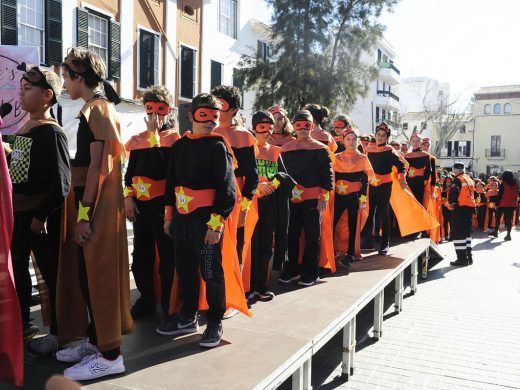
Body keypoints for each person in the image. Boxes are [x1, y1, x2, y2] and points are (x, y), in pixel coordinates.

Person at [55, 48, 133, 381]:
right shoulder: (96, 109)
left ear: (78, 78)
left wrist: (84, 216)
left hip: (95, 211)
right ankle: (97, 339)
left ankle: (110, 355)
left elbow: (100, 169)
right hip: (92, 208)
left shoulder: (98, 111)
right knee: (89, 277)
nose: (64, 85)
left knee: (97, 278)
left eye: (66, 77)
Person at [161, 93, 242, 347]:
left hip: (206, 222)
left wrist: (215, 225)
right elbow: (170, 184)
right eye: (204, 115)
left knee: (211, 272)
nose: (210, 121)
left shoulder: (219, 147)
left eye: (214, 116)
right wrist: (168, 217)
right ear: (191, 116)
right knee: (185, 270)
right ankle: (187, 315)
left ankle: (215, 320)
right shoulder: (179, 146)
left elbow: (228, 191)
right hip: (182, 221)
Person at [6, 66, 71, 354]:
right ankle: (21, 324)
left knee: (51, 274)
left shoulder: (51, 133)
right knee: (17, 270)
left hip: (37, 220)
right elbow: (19, 172)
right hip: (17, 217)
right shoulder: (25, 128)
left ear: (47, 95)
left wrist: (40, 216)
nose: (21, 91)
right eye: (21, 86)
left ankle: (61, 332)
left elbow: (61, 183)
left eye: (28, 88)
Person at [123, 86, 179, 319]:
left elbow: (163, 171)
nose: (155, 115)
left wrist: (155, 136)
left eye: (161, 109)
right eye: (150, 109)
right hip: (141, 207)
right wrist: (127, 197)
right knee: (141, 257)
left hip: (163, 205)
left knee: (167, 256)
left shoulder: (174, 139)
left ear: (169, 111)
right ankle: (146, 300)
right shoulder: (136, 140)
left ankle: (168, 302)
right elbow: (129, 174)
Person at [279, 110, 334, 286]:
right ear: (294, 126)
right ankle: (292, 269)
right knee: (291, 235)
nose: (303, 129)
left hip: (312, 198)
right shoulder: (286, 149)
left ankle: (311, 273)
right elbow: (281, 174)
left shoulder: (321, 148)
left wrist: (323, 197)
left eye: (307, 125)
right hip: (291, 199)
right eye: (299, 125)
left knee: (312, 237)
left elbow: (327, 175)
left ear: (312, 126)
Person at [249, 110, 289, 300]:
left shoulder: (275, 151)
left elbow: (284, 176)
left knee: (265, 245)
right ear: (254, 128)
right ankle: (247, 287)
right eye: (262, 127)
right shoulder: (247, 148)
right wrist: (257, 186)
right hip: (250, 204)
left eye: (270, 128)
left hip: (269, 204)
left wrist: (272, 185)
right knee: (250, 246)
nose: (266, 132)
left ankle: (260, 286)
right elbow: (238, 175)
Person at [361, 122, 407, 255]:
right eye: (378, 134)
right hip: (371, 186)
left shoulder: (390, 150)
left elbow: (401, 166)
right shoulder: (368, 150)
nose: (380, 137)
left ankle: (385, 243)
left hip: (384, 186)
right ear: (375, 135)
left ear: (387, 138)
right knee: (369, 213)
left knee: (383, 214)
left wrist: (402, 178)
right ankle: (367, 241)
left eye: (383, 135)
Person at [333, 126, 373, 266]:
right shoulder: (336, 157)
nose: (351, 142)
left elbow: (365, 181)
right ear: (343, 140)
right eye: (348, 139)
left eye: (354, 139)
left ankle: (350, 254)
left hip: (354, 197)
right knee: (333, 223)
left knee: (352, 225)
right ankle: (331, 250)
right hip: (338, 197)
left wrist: (362, 200)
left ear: (358, 141)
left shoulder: (362, 158)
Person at [448, 162, 475, 266]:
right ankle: (469, 257)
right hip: (469, 208)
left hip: (460, 209)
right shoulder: (469, 179)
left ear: (455, 170)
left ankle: (462, 259)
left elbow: (452, 194)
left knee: (458, 234)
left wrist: (451, 204)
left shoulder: (457, 180)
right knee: (466, 234)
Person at [404, 133, 432, 206]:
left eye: (417, 141)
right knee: (410, 203)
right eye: (413, 141)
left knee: (419, 203)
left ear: (420, 142)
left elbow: (428, 170)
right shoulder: (406, 156)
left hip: (420, 183)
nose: (415, 143)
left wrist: (424, 182)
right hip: (409, 182)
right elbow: (404, 170)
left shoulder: (425, 155)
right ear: (410, 142)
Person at [491, 170, 519, 240]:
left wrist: (496, 203)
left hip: (503, 203)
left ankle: (495, 232)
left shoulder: (503, 184)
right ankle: (508, 235)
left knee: (498, 218)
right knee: (509, 220)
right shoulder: (516, 184)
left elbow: (500, 195)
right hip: (512, 204)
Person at [441, 175, 453, 241]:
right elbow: (441, 199)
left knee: (451, 222)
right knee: (445, 221)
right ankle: (446, 235)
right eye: (447, 182)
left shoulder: (453, 189)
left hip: (451, 207)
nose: (448, 183)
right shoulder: (442, 189)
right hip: (444, 207)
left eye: (450, 182)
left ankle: (451, 236)